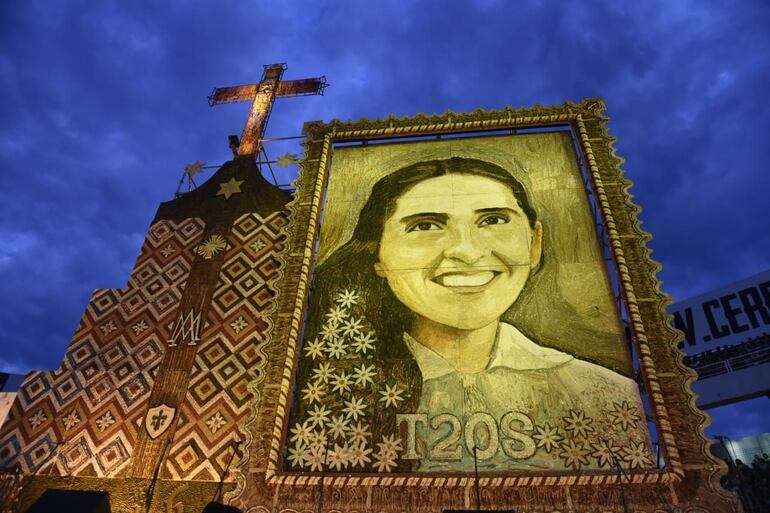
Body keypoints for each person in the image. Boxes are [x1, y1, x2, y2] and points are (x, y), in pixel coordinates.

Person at [288, 157, 651, 473]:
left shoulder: (607, 396)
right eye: (425, 225)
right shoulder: (319, 397)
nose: (467, 252)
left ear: (535, 242)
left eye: (494, 220)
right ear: (378, 256)